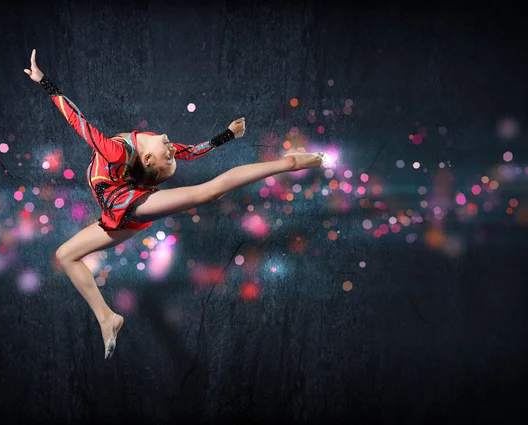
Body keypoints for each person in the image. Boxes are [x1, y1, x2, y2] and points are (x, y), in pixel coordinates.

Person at [25, 49, 327, 359]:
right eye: (170, 155)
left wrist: (44, 81)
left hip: (130, 205)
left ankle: (289, 163)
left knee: (209, 192)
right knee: (65, 255)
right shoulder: (133, 151)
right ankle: (107, 318)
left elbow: (81, 121)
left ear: (147, 159)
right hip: (115, 215)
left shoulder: (122, 152)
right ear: (146, 158)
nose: (172, 149)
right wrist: (227, 135)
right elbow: (191, 150)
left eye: (168, 155)